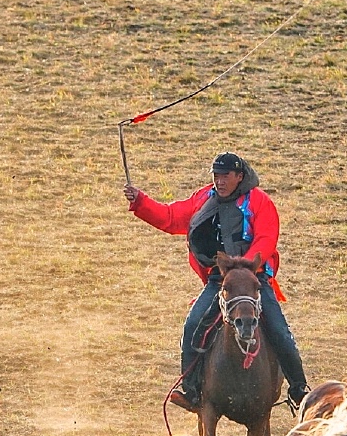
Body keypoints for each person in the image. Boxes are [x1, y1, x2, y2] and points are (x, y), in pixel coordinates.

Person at [123, 152, 311, 413]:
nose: (219, 181)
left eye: (225, 176)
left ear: (239, 176)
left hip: (254, 280)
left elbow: (266, 239)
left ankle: (299, 389)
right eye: (216, 176)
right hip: (219, 281)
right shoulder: (203, 199)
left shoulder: (259, 201)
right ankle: (191, 390)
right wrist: (140, 201)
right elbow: (170, 218)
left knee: (279, 330)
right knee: (193, 326)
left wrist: (243, 268)